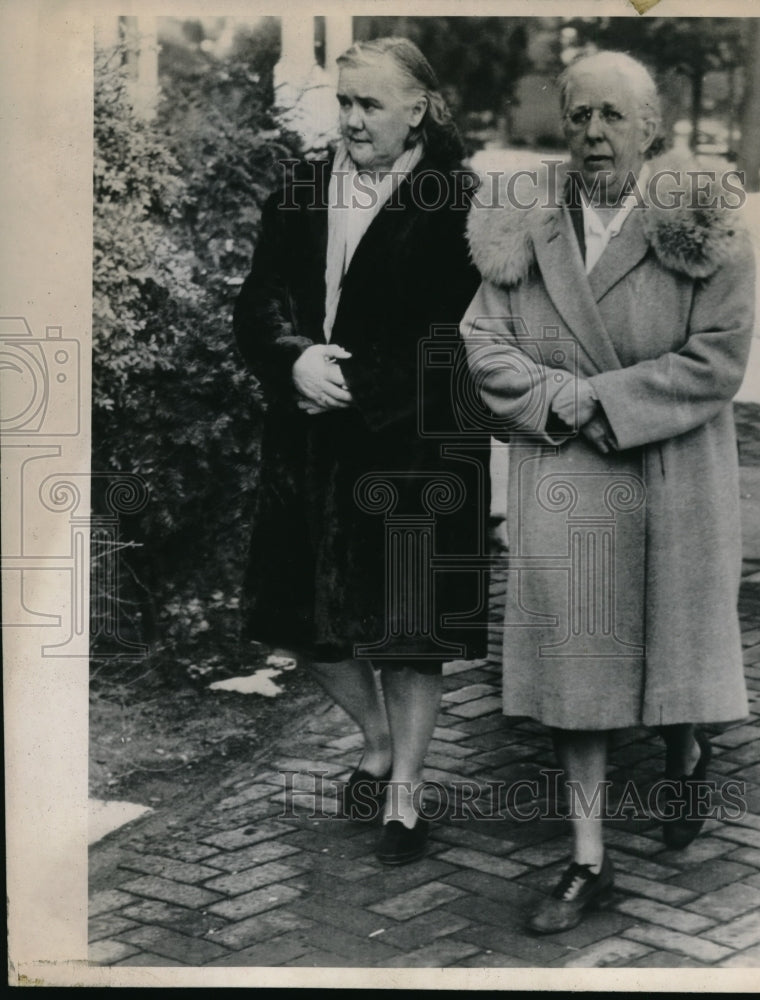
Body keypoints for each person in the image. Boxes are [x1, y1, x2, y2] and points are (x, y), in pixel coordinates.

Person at [461, 51, 755, 932]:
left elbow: (718, 359)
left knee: (672, 649)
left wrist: (608, 400)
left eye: (613, 118)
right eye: (580, 115)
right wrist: (563, 401)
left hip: (670, 472)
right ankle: (588, 858)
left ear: (652, 129)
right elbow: (484, 343)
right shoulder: (523, 220)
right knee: (575, 664)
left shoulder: (703, 223)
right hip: (569, 475)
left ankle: (686, 748)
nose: (594, 133)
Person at [234, 37, 489, 865]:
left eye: (369, 104)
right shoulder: (303, 189)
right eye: (343, 102)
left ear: (416, 109)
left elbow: (468, 338)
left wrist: (364, 387)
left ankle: (406, 798)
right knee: (303, 623)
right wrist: (293, 357)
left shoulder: (461, 199)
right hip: (309, 441)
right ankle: (374, 742)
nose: (350, 120)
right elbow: (258, 301)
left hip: (417, 446)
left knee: (411, 634)